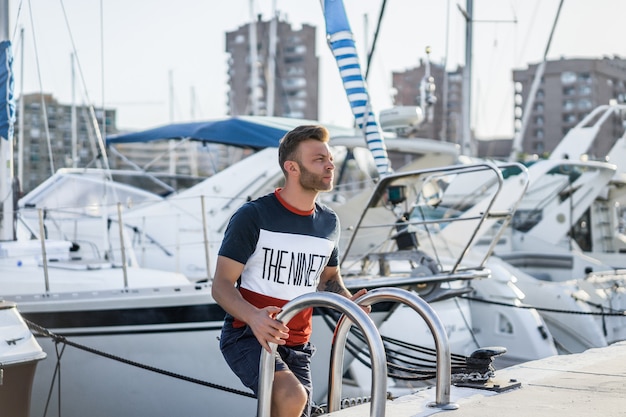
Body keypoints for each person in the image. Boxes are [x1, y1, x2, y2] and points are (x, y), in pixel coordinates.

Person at [212, 124, 368, 417]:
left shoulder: (329, 223)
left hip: (298, 345)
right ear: (292, 168)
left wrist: (350, 303)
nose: (330, 164)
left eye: (329, 158)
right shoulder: (254, 215)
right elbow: (221, 285)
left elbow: (329, 279)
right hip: (249, 335)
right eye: (319, 159)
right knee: (291, 397)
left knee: (293, 407)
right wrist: (254, 318)